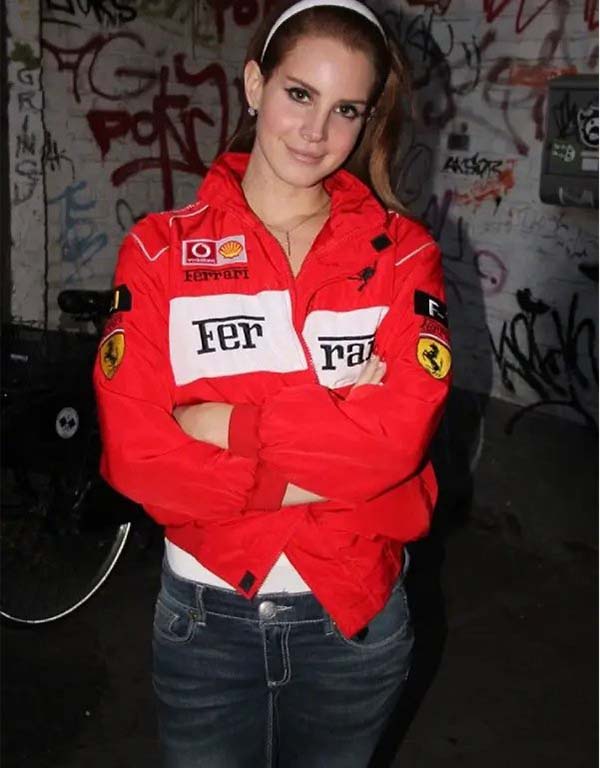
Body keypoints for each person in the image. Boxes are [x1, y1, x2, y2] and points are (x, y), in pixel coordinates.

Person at [93, 0, 452, 764]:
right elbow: (137, 456)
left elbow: (394, 446)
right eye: (299, 93)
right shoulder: (159, 252)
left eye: (346, 109)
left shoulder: (403, 257)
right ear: (255, 84)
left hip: (354, 621)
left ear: (367, 120)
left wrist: (224, 425)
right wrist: (338, 446)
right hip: (204, 626)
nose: (317, 131)